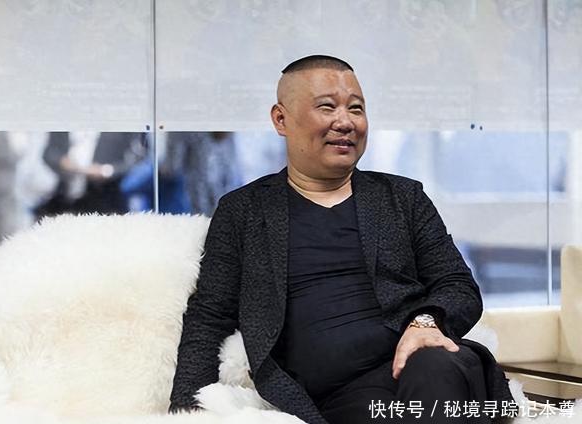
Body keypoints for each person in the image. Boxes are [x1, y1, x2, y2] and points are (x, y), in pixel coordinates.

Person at [169, 55, 513, 424]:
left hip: (428, 366)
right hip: (341, 399)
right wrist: (186, 411)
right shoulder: (245, 211)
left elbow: (457, 285)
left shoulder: (402, 198)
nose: (345, 122)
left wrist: (425, 323)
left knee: (433, 368)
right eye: (327, 107)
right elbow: (210, 316)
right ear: (281, 120)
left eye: (356, 108)